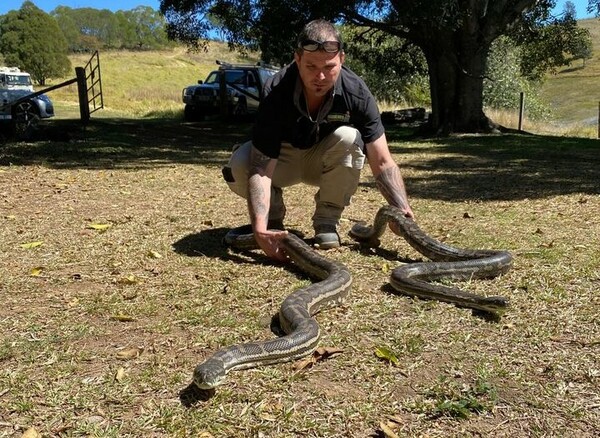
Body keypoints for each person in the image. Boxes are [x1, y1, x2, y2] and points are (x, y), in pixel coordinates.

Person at [222, 19, 413, 261]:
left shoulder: (356, 91)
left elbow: (383, 161)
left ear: (341, 60)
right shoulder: (276, 89)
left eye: (330, 67)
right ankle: (272, 221)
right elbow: (260, 167)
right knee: (240, 162)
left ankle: (326, 222)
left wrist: (400, 207)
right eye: (311, 66)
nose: (320, 76)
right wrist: (258, 228)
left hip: (323, 162)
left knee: (350, 137)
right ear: (297, 59)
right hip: (282, 160)